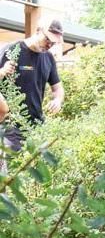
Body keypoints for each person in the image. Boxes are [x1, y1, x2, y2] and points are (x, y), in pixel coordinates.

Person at [0, 19, 64, 150]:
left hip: (37, 127)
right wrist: (2, 72)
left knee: (37, 169)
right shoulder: (12, 50)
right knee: (13, 169)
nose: (49, 44)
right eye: (47, 39)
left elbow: (58, 89)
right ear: (38, 31)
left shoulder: (49, 58)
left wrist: (57, 101)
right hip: (11, 128)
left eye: (53, 42)